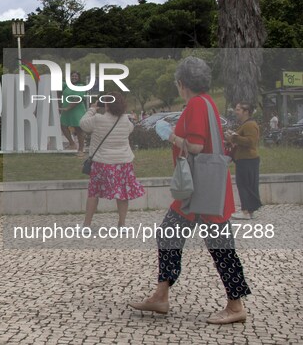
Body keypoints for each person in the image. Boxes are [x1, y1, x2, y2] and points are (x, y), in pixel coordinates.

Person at [129, 57, 251, 324]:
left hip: (201, 192)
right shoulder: (207, 102)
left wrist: (168, 134)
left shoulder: (196, 104)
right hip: (200, 191)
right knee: (170, 234)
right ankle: (161, 296)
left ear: (182, 83)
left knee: (220, 247)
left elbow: (195, 146)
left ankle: (235, 305)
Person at [79, 92, 145, 228]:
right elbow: (130, 129)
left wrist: (92, 108)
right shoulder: (125, 121)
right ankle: (122, 224)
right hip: (123, 163)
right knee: (122, 194)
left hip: (101, 162)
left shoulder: (98, 119)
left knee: (94, 193)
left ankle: (86, 225)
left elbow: (82, 124)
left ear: (107, 104)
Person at [225, 103, 262, 220]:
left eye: (238, 109)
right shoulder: (245, 124)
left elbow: (251, 141)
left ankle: (245, 211)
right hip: (245, 159)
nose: (236, 112)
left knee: (244, 185)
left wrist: (234, 137)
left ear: (246, 111)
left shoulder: (250, 125)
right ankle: (250, 210)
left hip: (247, 159)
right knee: (249, 184)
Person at [60, 71, 86, 155]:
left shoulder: (80, 86)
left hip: (76, 110)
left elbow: (78, 99)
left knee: (78, 129)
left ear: (79, 78)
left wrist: (68, 107)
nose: (74, 77)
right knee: (63, 126)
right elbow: (57, 84)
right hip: (66, 110)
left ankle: (81, 150)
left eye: (76, 76)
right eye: (72, 76)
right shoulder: (67, 85)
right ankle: (72, 143)